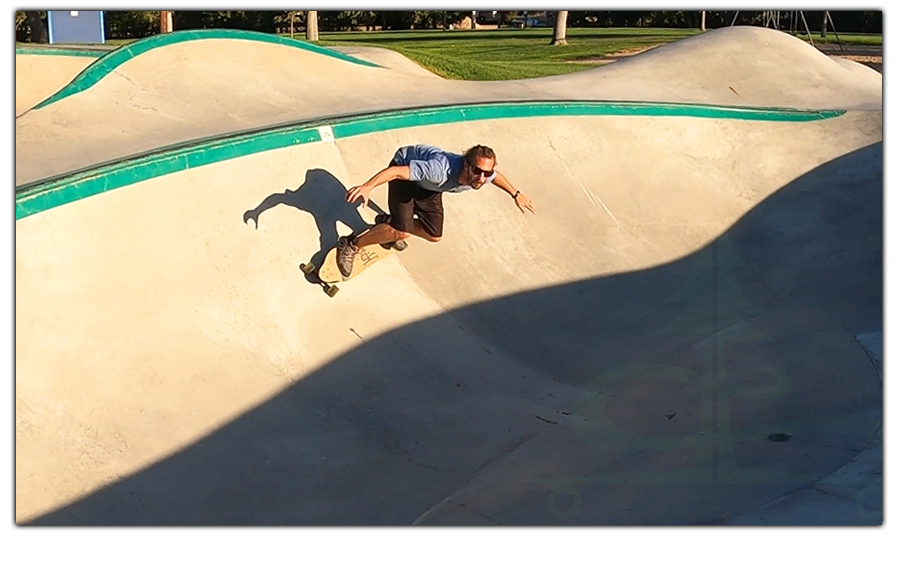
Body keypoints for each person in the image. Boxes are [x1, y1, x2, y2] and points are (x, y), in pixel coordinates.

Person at [337, 143, 537, 277]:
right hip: (405, 173)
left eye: (487, 172)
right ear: (466, 165)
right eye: (477, 171)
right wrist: (368, 186)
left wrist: (515, 193)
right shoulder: (439, 170)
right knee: (403, 232)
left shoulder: (483, 174)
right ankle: (351, 244)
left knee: (434, 235)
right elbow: (396, 173)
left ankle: (389, 223)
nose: (482, 178)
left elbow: (497, 177)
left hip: (429, 188)